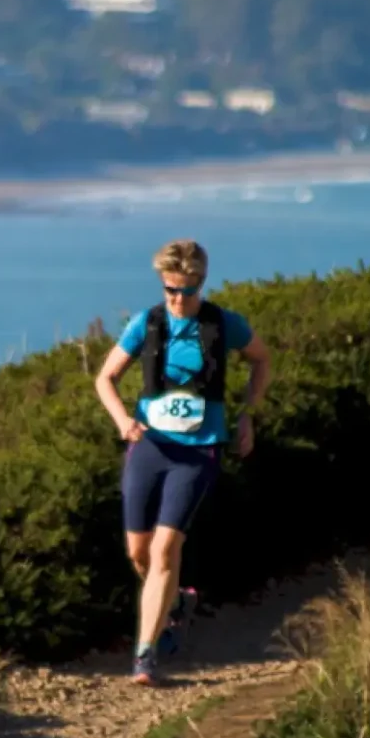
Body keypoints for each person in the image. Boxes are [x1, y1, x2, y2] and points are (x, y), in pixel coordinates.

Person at [94, 239, 271, 686]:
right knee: (138, 551)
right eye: (170, 289)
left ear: (201, 284)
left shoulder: (225, 324)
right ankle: (176, 602)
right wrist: (122, 422)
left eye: (187, 291)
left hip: (197, 452)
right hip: (150, 446)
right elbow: (105, 377)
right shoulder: (147, 324)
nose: (177, 299)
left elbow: (261, 360)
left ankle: (146, 654)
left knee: (164, 549)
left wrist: (247, 416)